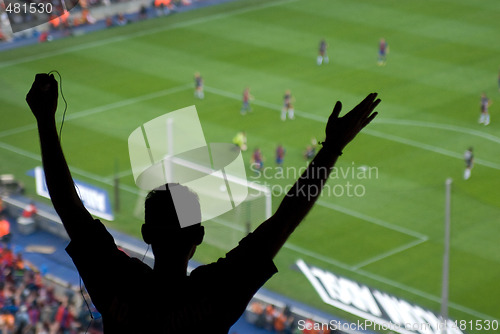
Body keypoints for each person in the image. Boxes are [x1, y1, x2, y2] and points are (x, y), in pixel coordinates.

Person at [26, 73, 380, 333]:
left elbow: (67, 204)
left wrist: (44, 120)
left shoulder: (119, 282)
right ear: (198, 235)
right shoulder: (216, 293)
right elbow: (285, 219)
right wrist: (332, 148)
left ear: (146, 233)